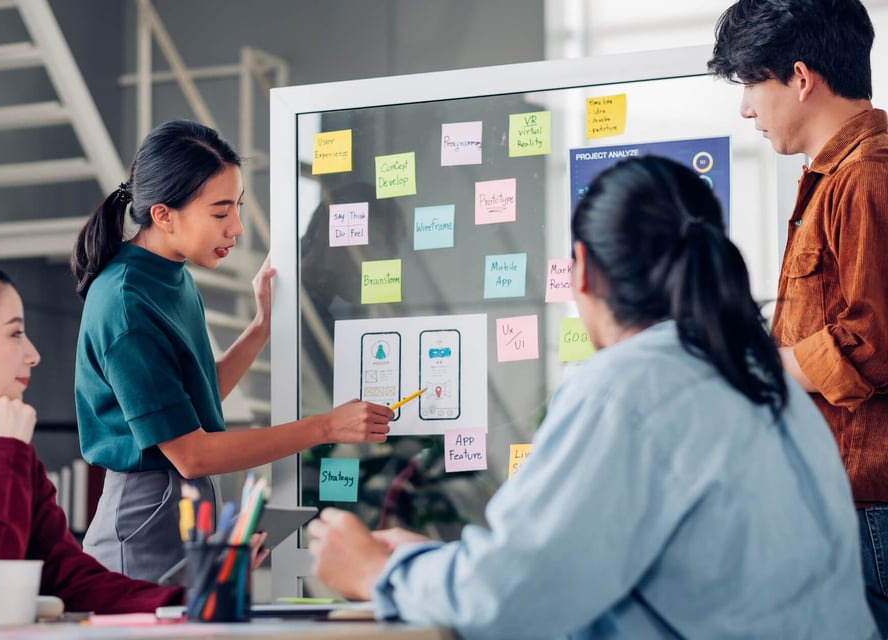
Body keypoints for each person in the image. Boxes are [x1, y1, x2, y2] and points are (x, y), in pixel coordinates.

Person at [308, 156, 876, 639]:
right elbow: (550, 564)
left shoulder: (628, 387)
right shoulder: (765, 385)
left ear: (583, 272)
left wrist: (377, 573)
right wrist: (425, 561)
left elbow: (511, 597)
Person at [70, 119, 394, 582]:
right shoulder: (126, 302)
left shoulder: (170, 274)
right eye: (220, 213)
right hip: (143, 527)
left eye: (237, 208)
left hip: (184, 508)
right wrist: (326, 425)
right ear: (164, 215)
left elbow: (194, 401)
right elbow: (191, 453)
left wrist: (261, 328)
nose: (237, 228)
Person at [708, 0, 888, 632]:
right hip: (846, 500)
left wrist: (756, 363)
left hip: (868, 506)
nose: (747, 108)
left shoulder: (867, 176)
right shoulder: (835, 176)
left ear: (802, 77)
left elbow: (873, 343)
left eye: (752, 83)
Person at [0, 255, 183, 612]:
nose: (33, 355)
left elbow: (67, 575)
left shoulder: (7, 450)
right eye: (15, 333)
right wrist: (7, 454)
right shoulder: (8, 451)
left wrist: (187, 600)